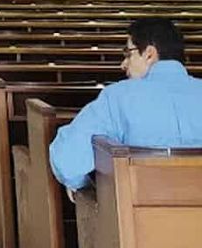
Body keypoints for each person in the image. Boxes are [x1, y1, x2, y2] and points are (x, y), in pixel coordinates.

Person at [49, 18, 202, 192]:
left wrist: (84, 188)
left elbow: (68, 160)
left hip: (141, 214)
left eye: (128, 54)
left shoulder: (117, 97)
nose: (123, 64)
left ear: (149, 54)